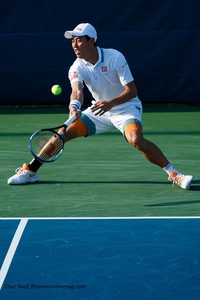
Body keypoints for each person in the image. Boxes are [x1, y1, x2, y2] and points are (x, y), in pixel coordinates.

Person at [7, 23, 193, 189]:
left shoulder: (115, 57)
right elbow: (77, 91)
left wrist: (111, 103)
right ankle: (31, 171)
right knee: (62, 134)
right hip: (99, 111)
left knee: (136, 140)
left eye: (79, 41)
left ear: (91, 41)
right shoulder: (76, 67)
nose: (74, 45)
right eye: (72, 41)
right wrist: (74, 106)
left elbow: (132, 90)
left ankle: (174, 174)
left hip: (125, 107)